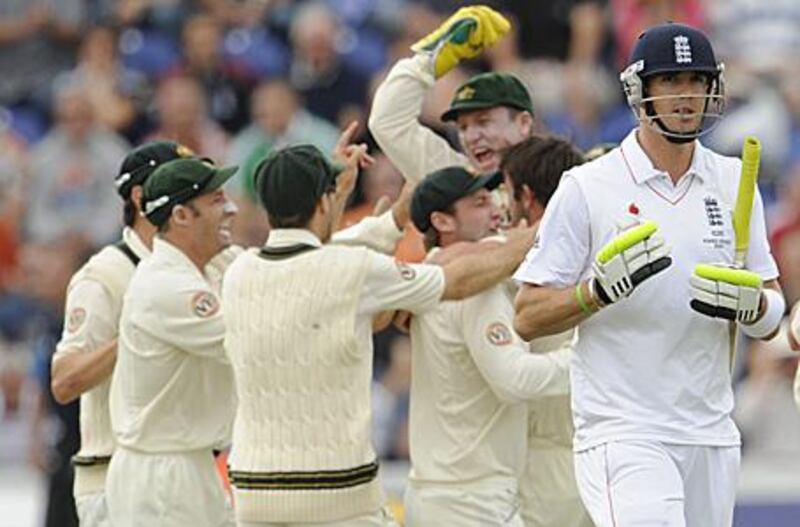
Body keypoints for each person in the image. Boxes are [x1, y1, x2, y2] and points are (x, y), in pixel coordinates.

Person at [513, 22, 784, 527]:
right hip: (623, 429)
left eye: (696, 82)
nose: (686, 97)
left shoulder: (731, 180)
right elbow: (527, 315)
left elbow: (771, 317)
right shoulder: (589, 186)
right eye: (670, 82)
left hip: (709, 431)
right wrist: (595, 292)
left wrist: (754, 306)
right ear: (641, 92)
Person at [222, 144, 534, 526]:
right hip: (339, 498)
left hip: (253, 495)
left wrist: (393, 220)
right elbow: (457, 280)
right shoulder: (352, 269)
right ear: (324, 201)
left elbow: (314, 255)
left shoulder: (238, 272)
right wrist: (532, 237)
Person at [403, 165, 572, 526]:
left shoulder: (432, 275)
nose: (496, 210)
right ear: (443, 221)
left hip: (443, 493)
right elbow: (515, 380)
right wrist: (589, 361)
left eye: (494, 198)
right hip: (471, 501)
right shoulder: (479, 287)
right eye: (479, 203)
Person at [50, 141, 197, 526]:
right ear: (138, 195)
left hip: (184, 474)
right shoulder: (104, 276)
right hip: (114, 478)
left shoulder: (197, 268)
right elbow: (65, 381)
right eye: (177, 184)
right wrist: (134, 334)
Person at [106, 157, 240, 527]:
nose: (232, 209)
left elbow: (280, 268)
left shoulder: (199, 271)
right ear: (181, 216)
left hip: (187, 464)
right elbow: (251, 341)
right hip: (164, 473)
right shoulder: (167, 285)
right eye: (216, 200)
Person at [500, 136, 594, 527]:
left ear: (525, 195)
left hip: (548, 465)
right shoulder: (593, 249)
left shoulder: (526, 266)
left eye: (506, 192)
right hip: (596, 455)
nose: (501, 207)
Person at [369, 5, 533, 182]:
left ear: (523, 124)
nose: (471, 137)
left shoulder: (556, 179)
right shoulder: (458, 183)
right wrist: (433, 56)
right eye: (463, 127)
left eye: (483, 122)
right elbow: (387, 121)